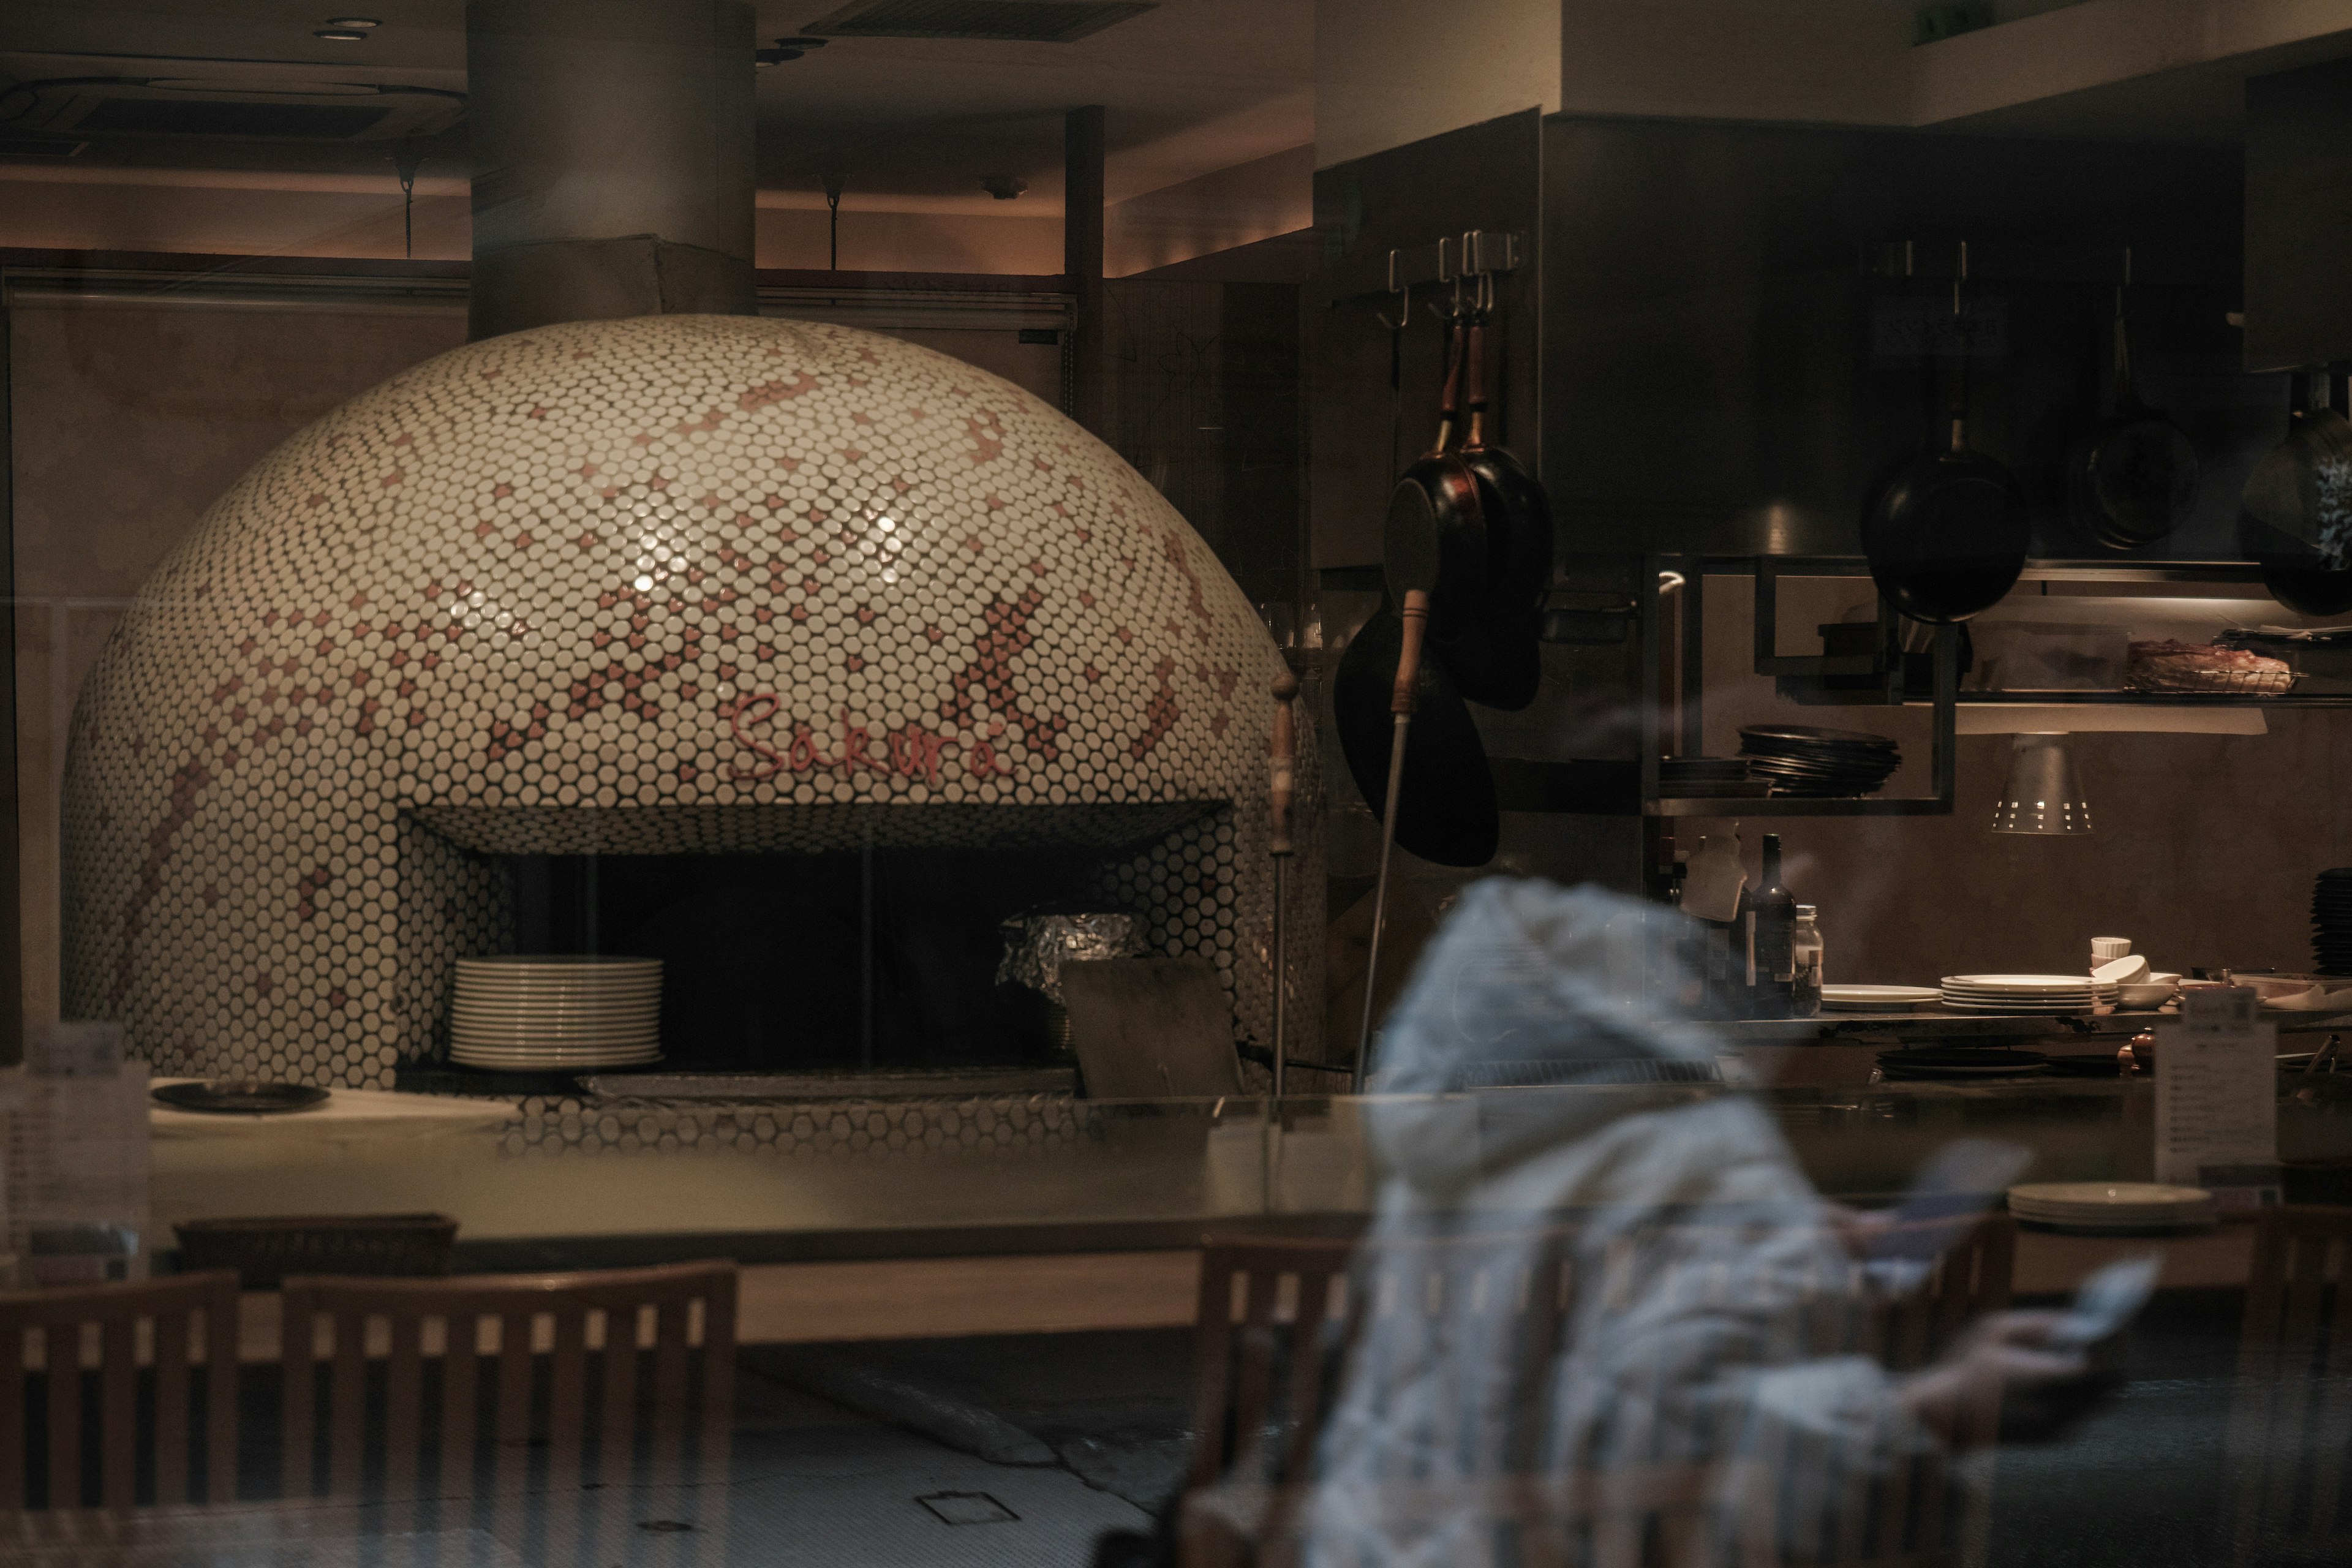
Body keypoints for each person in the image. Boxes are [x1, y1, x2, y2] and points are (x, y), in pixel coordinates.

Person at [1255, 878, 2097, 1567]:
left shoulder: (1453, 1151)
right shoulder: (1696, 1157)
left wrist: (1798, 1237)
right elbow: (1704, 1481)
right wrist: (1939, 1405)